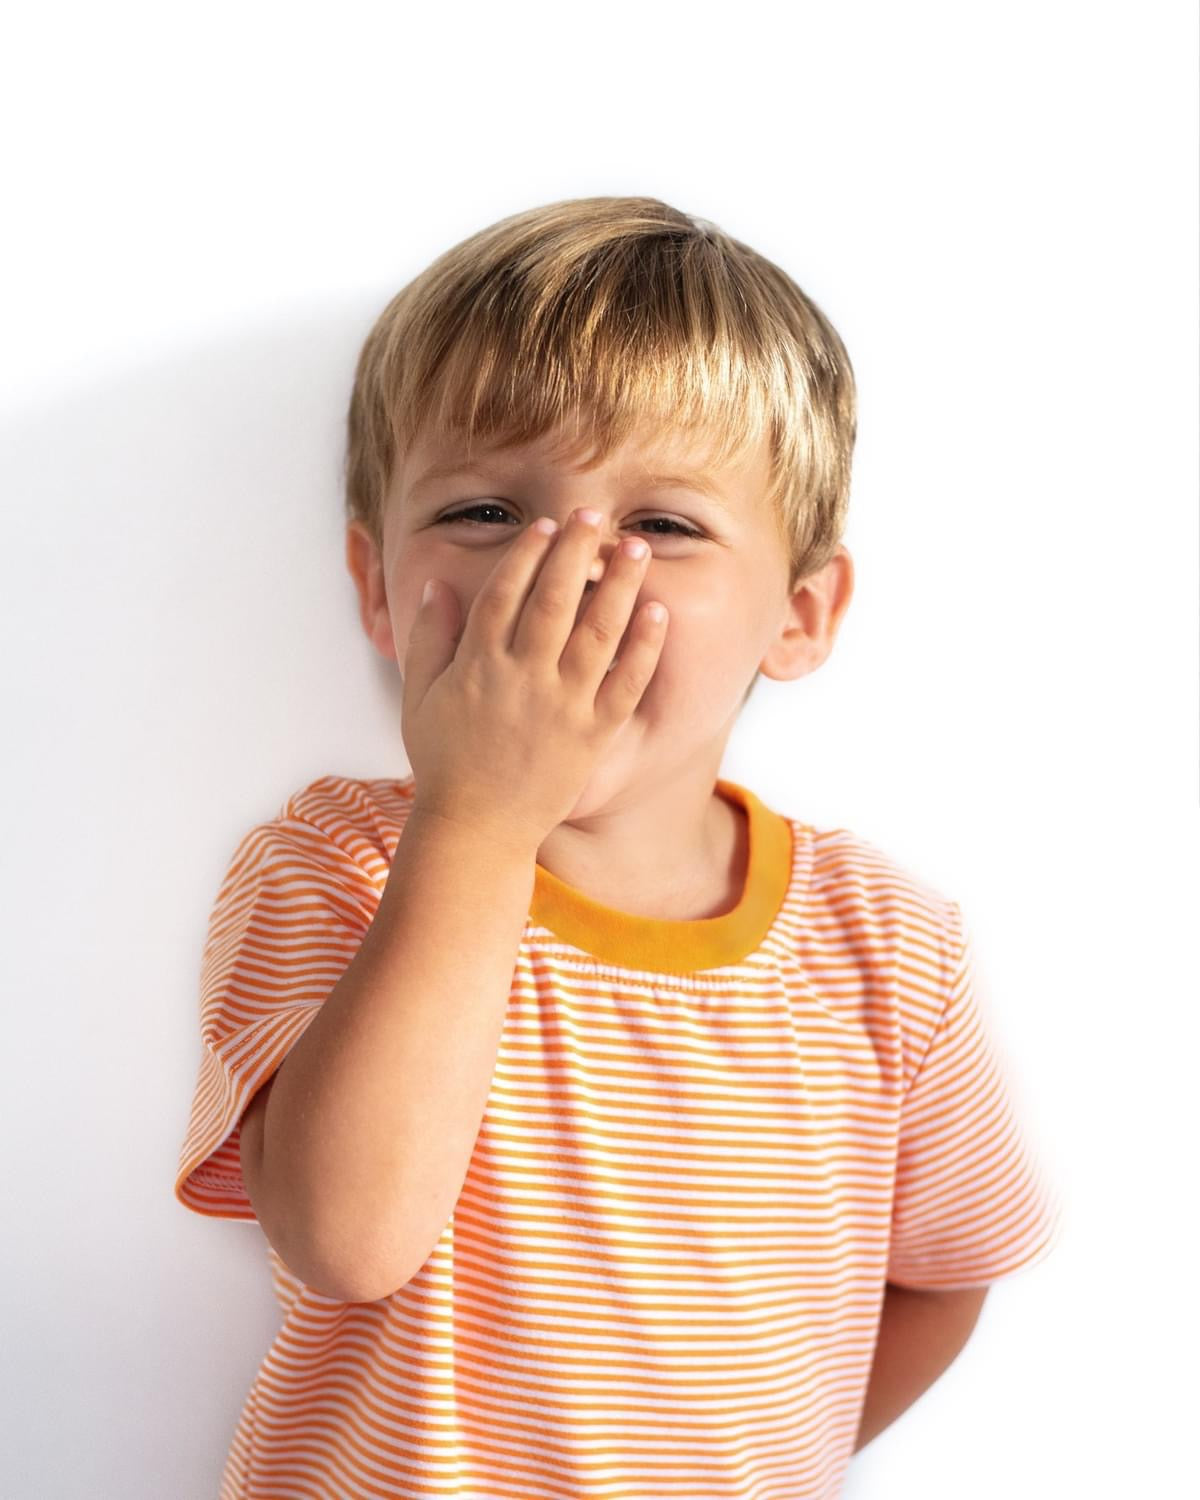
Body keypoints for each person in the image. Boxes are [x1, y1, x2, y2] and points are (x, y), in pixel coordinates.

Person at [174, 195, 1061, 1499]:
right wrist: (478, 812)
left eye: (663, 524)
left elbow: (944, 1273)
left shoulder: (887, 948)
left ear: (800, 616)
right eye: (484, 512)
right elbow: (345, 1241)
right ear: (378, 585)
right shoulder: (335, 865)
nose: (569, 571)